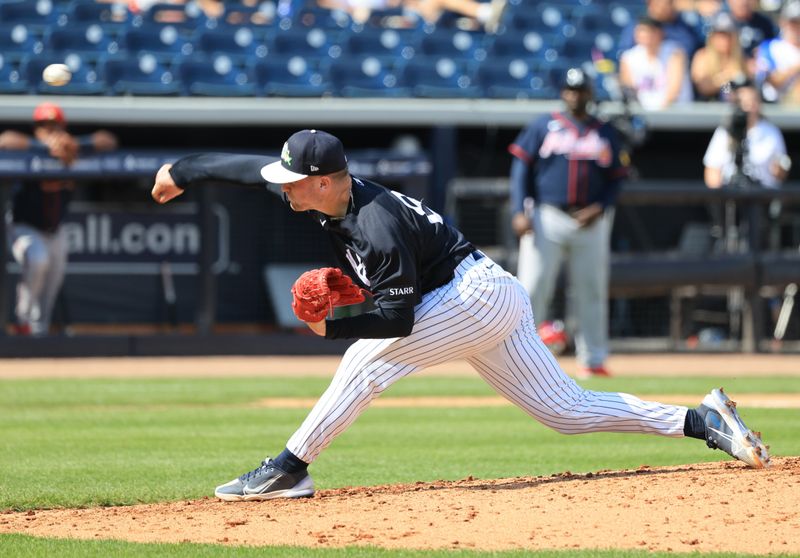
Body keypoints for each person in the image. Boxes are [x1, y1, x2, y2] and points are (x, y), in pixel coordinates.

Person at [150, 128, 770, 502]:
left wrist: (328, 326)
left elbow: (395, 320)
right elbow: (237, 168)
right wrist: (180, 171)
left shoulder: (375, 223)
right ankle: (700, 419)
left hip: (473, 297)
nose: (282, 186)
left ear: (323, 180)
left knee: (365, 360)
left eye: (293, 180)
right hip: (481, 295)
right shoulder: (325, 193)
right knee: (566, 411)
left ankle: (289, 469)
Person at [508, 68, 624, 379]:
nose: (574, 96)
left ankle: (594, 358)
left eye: (580, 90)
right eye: (569, 90)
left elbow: (616, 179)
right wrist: (519, 209)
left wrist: (600, 207)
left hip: (590, 220)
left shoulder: (604, 131)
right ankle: (519, 358)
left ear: (590, 94)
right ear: (563, 93)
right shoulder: (544, 125)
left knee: (592, 290)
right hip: (547, 215)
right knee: (531, 289)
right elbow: (520, 169)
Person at [0, 102, 118, 336]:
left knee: (54, 278)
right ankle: (23, 322)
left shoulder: (72, 148)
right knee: (37, 260)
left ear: (63, 126)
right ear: (36, 128)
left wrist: (77, 144)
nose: (50, 129)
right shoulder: (29, 148)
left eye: (54, 125)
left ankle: (40, 332)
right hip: (24, 225)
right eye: (44, 125)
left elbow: (109, 140)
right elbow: (4, 139)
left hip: (56, 229)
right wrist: (42, 146)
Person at [703, 77, 790, 189]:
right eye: (745, 102)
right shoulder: (725, 131)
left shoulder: (771, 132)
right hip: (730, 195)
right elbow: (712, 172)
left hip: (762, 195)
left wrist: (780, 169)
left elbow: (781, 170)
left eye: (753, 101)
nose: (750, 107)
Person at [619, 16, 695, 110]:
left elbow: (674, 90)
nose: (645, 35)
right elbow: (629, 90)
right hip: (643, 117)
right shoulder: (628, 57)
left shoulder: (674, 52)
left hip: (676, 114)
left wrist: (659, 113)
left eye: (649, 31)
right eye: (641, 31)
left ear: (660, 33)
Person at [691, 12, 750, 101]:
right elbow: (702, 87)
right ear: (712, 37)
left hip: (734, 107)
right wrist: (725, 80)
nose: (724, 40)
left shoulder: (740, 58)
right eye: (720, 35)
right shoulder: (702, 56)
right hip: (707, 106)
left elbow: (745, 86)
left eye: (728, 35)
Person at [617, 0, 704, 60]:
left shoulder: (680, 26)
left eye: (668, 3)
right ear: (649, 3)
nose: (663, 7)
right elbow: (625, 55)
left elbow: (690, 48)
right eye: (658, 3)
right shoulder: (637, 25)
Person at [755, 0, 800, 104]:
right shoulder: (770, 47)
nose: (797, 28)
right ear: (783, 22)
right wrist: (797, 67)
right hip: (777, 106)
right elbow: (771, 80)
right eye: (793, 22)